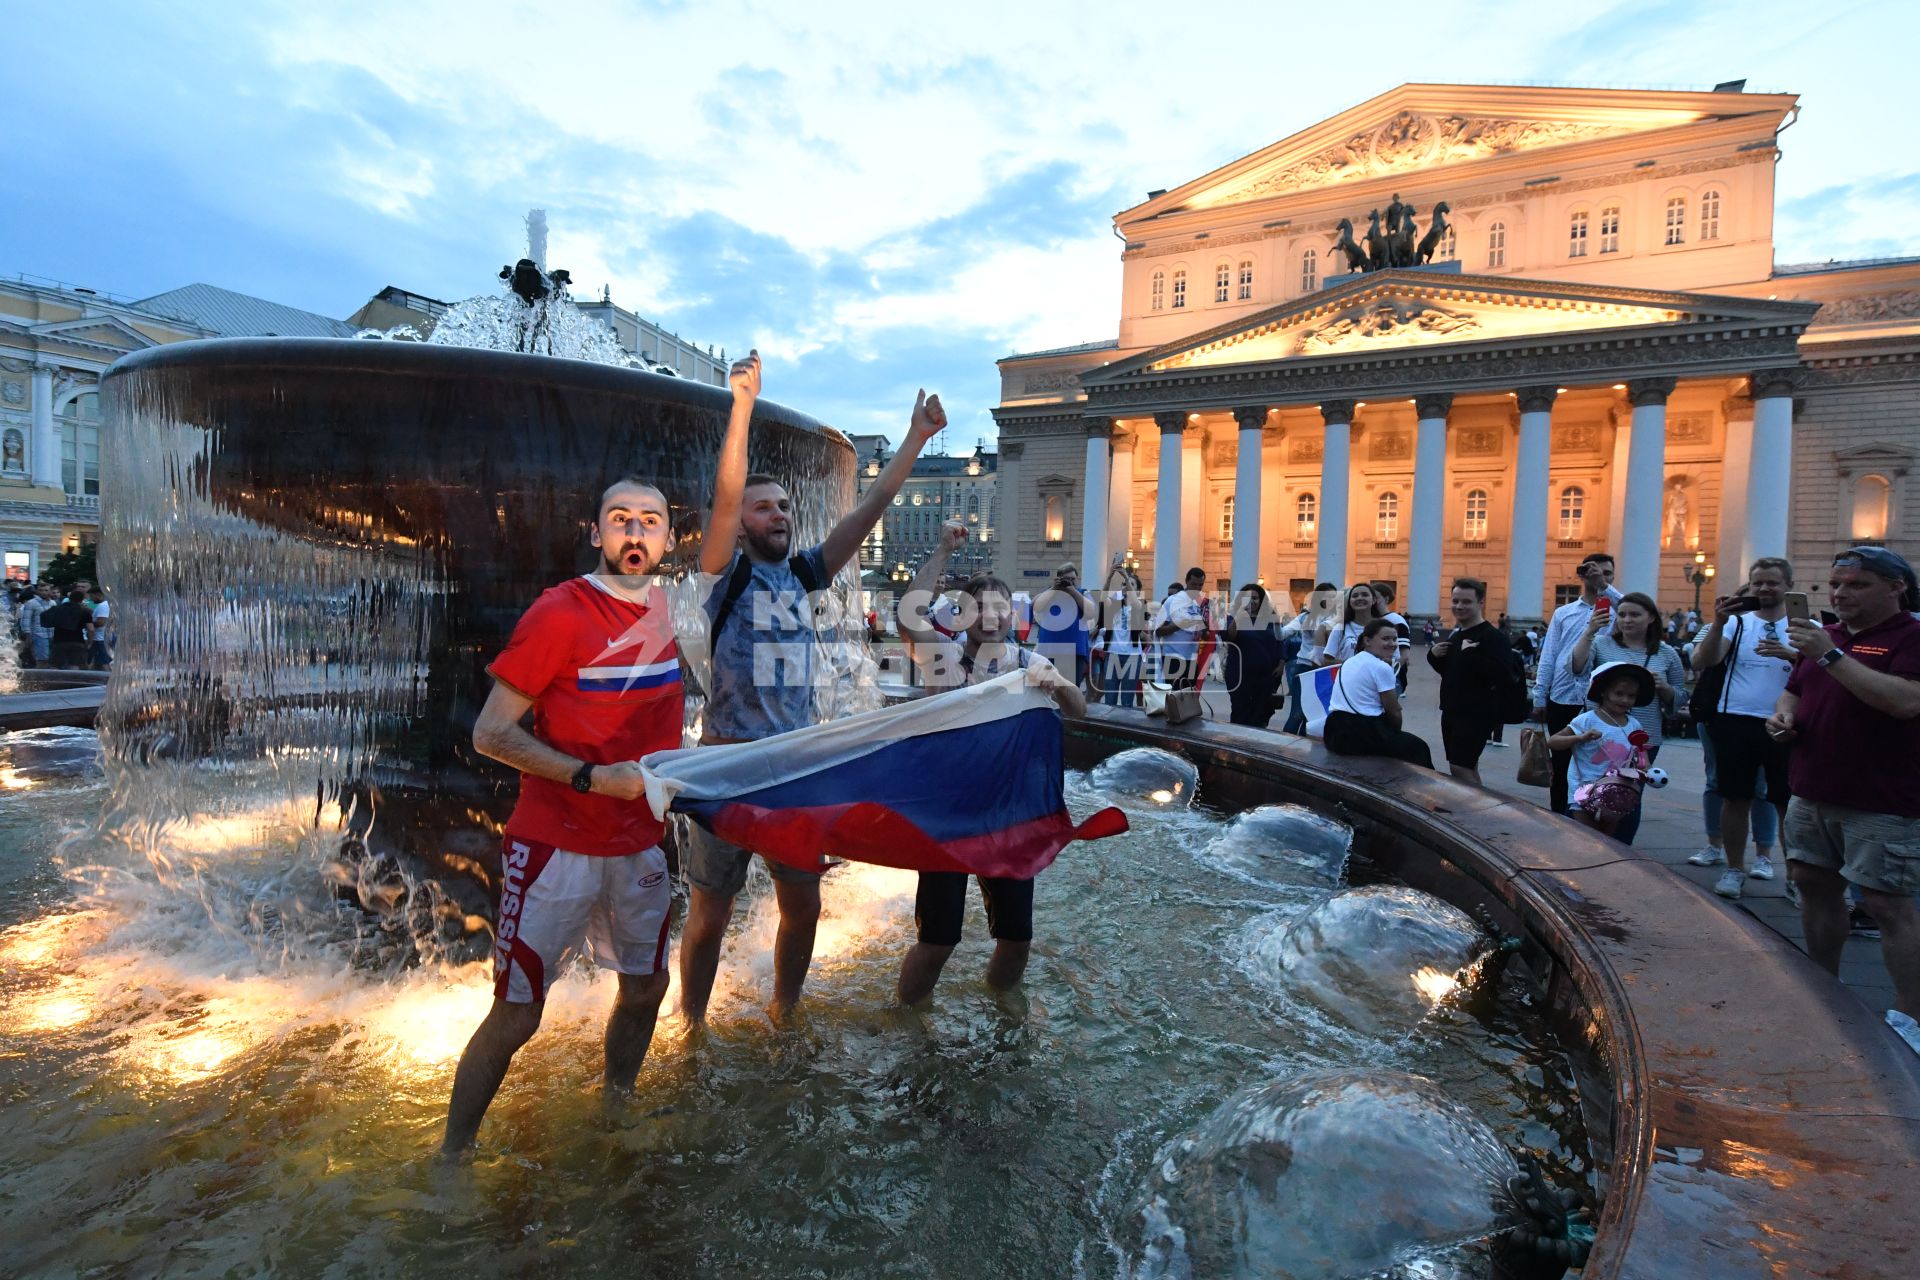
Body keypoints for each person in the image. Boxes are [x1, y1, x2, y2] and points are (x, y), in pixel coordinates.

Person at [679, 356, 947, 1027]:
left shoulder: (804, 574)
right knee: (710, 912)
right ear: (741, 524)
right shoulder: (722, 576)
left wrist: (916, 437)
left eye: (785, 506)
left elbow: (873, 505)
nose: (779, 514)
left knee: (803, 908)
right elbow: (724, 492)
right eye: (763, 507)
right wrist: (741, 405)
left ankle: (784, 1011)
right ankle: (690, 1022)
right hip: (726, 770)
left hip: (795, 773)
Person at [440, 473, 684, 1157]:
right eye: (620, 519)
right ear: (596, 532)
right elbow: (491, 733)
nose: (635, 534)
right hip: (555, 849)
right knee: (518, 1013)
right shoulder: (561, 611)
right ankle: (453, 1156)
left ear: (669, 537)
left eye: (649, 522)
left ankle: (616, 1107)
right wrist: (587, 777)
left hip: (639, 845)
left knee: (645, 989)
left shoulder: (671, 612)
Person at [895, 521, 1086, 1004]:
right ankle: (907, 1016)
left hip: (1006, 816)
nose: (991, 615)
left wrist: (1056, 683)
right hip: (949, 818)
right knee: (938, 940)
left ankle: (1003, 1009)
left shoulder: (1026, 661)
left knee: (1017, 938)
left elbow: (1078, 711)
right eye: (979, 606)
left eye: (1001, 606)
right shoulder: (944, 656)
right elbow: (910, 617)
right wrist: (941, 548)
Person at [1771, 546, 1920, 1019]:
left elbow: (1905, 702)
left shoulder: (1910, 637)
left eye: (1857, 584)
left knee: (1885, 905)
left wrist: (1830, 654)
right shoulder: (1826, 635)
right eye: (1836, 583)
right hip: (1812, 789)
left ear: (1897, 588)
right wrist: (1782, 718)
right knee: (1813, 885)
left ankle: (1910, 1017)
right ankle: (1824, 992)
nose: (1840, 593)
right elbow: (1794, 691)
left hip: (1882, 798)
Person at [1686, 558, 1796, 898]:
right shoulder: (1738, 623)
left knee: (1786, 803)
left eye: (1772, 583)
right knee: (1735, 798)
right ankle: (1734, 869)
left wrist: (1790, 654)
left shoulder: (1803, 624)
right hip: (1734, 717)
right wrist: (1718, 623)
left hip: (1785, 722)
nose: (1764, 589)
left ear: (1787, 585)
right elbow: (1704, 660)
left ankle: (1794, 877)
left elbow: (1819, 670)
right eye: (1758, 582)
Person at [1565, 591, 1686, 845]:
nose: (1626, 620)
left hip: (1641, 737)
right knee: (1588, 788)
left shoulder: (1667, 654)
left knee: (1626, 793)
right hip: (1597, 733)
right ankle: (1584, 843)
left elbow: (1679, 697)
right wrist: (1589, 632)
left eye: (1634, 614)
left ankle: (1620, 849)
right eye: (1621, 614)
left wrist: (1662, 687)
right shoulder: (1602, 644)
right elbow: (1575, 668)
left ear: (1651, 617)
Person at [1531, 552, 1622, 814]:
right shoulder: (1564, 613)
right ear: (1582, 575)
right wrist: (1540, 696)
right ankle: (1560, 816)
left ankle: (1594, 815)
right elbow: (1549, 656)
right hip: (1563, 695)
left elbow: (1641, 613)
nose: (1601, 578)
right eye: (1595, 572)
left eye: (1607, 574)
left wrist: (1604, 588)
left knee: (1600, 763)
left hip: (1601, 700)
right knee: (1561, 765)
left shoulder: (1619, 611)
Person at [1550, 663, 1659, 838]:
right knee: (1584, 838)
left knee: (1606, 843)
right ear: (1603, 691)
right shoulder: (1586, 720)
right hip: (1583, 790)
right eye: (1619, 693)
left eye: (1631, 696)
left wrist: (1646, 769)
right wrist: (1580, 738)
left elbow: (1641, 754)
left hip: (1616, 793)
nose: (1624, 700)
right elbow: (1553, 741)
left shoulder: (1634, 724)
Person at [1427, 577, 1515, 787]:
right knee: (1466, 766)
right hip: (1452, 710)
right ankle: (1476, 810)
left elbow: (1503, 674)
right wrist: (1433, 657)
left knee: (1460, 768)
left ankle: (1477, 813)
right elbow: (1454, 674)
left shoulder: (1493, 637)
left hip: (1476, 713)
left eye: (1466, 602)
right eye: (1455, 601)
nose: (1459, 606)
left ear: (1480, 603)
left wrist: (1471, 656)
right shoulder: (1458, 635)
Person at [1323, 618, 1434, 767]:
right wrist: (1394, 734)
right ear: (1367, 641)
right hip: (1358, 733)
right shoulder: (1381, 667)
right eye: (1386, 639)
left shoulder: (1351, 661)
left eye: (1395, 639)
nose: (1393, 644)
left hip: (1334, 730)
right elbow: (1394, 711)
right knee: (1419, 748)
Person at [1222, 582, 1286, 729]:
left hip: (1266, 676)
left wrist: (1282, 662)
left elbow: (1279, 640)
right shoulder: (1231, 617)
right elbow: (1229, 637)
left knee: (1262, 713)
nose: (1252, 601)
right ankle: (1238, 744)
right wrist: (1239, 616)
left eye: (1255, 598)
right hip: (1240, 675)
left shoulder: (1269, 618)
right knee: (1241, 712)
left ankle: (1257, 744)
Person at [1281, 582, 1338, 734]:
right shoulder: (1306, 617)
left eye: (1334, 596)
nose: (1332, 599)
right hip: (1305, 668)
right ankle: (1284, 745)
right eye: (1328, 596)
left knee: (1317, 715)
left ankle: (1306, 749)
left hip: (1328, 670)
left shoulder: (1339, 619)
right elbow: (1282, 634)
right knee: (1297, 713)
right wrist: (1274, 622)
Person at [1032, 562, 1093, 689]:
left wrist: (1073, 591)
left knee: (1069, 691)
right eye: (1066, 580)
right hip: (1048, 651)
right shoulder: (1050, 593)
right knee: (1047, 691)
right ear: (1058, 579)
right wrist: (1054, 589)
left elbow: (1091, 612)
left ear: (1077, 579)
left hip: (1074, 652)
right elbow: (1037, 606)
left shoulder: (1083, 593)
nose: (1069, 582)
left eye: (1072, 579)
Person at [1097, 558, 1144, 709]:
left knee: (1127, 701)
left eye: (1131, 584)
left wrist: (1125, 576)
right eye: (1124, 584)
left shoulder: (1139, 605)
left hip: (1132, 656)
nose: (1126, 586)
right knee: (1110, 699)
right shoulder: (1113, 604)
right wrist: (1110, 575)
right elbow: (1102, 597)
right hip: (1113, 654)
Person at [1153, 567, 1210, 690]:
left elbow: (1202, 633)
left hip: (1191, 659)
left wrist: (1203, 630)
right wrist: (1179, 625)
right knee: (1172, 699)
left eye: (1200, 585)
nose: (1197, 588)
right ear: (1186, 581)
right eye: (1193, 584)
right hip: (1173, 658)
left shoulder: (1196, 604)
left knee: (1187, 700)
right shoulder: (1171, 601)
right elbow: (1158, 630)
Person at [1315, 582, 1386, 667]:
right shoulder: (1340, 628)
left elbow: (1394, 657)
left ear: (1374, 600)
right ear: (1349, 602)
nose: (1359, 598)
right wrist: (1353, 665)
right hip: (1347, 678)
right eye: (1355, 596)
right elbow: (1326, 660)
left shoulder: (1384, 627)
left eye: (1365, 595)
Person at [1369, 580, 1413, 691]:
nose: (1373, 601)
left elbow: (1404, 655)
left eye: (1376, 597)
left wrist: (1392, 673)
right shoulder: (1370, 620)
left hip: (1391, 678)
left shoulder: (1397, 620)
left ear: (1386, 599)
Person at [41, 587, 91, 669]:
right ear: (82, 600)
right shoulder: (84, 612)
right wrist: (89, 642)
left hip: (59, 641)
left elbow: (44, 617)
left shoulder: (58, 609)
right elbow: (91, 629)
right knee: (74, 665)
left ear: (69, 598)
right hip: (77, 641)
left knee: (55, 666)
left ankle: (54, 681)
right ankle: (73, 681)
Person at [18, 582, 55, 667]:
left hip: (51, 634)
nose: (44, 592)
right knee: (41, 659)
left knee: (50, 660)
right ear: (37, 591)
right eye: (41, 590)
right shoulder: (31, 603)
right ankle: (40, 678)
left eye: (46, 590)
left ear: (50, 591)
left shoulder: (53, 603)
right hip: (38, 635)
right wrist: (28, 636)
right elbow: (26, 620)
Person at [85, 587, 113, 670]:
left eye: (91, 596)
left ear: (97, 595)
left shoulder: (103, 606)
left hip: (99, 639)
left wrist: (87, 624)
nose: (90, 599)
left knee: (104, 662)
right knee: (95, 662)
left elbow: (101, 622)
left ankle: (108, 679)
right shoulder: (104, 605)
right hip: (100, 638)